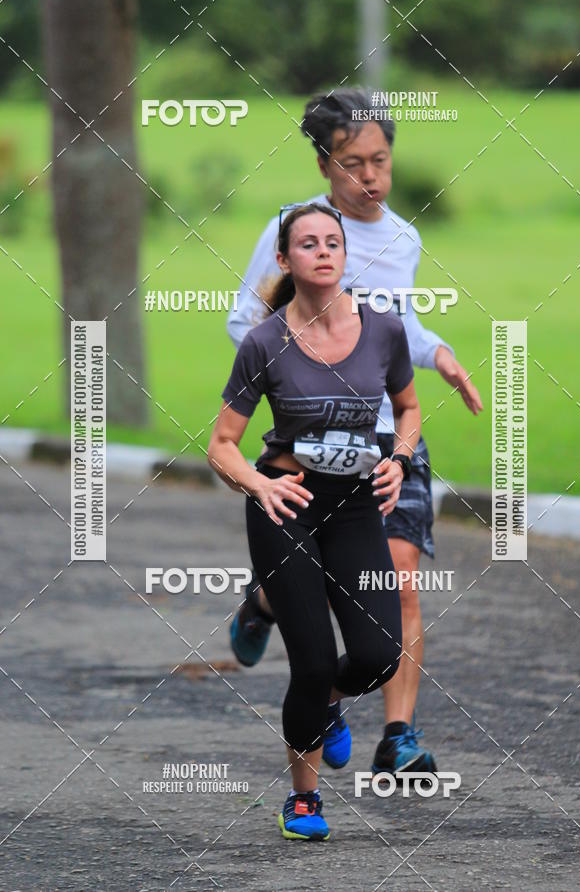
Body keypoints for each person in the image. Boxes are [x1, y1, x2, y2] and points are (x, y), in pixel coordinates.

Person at [227, 88, 483, 777]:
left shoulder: (403, 238)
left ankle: (392, 732)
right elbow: (245, 321)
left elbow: (403, 325)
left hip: (389, 443)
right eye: (352, 163)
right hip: (311, 447)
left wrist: (442, 355)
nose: (369, 177)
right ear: (322, 163)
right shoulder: (296, 230)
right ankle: (264, 606)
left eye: (380, 161)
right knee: (310, 589)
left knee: (398, 581)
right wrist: (309, 372)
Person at [208, 204, 420, 840]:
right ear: (285, 260)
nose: (324, 252)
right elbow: (221, 444)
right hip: (288, 506)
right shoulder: (264, 342)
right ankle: (303, 801)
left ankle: (328, 706)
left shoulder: (382, 330)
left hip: (356, 506)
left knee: (380, 655)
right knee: (313, 663)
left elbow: (408, 409)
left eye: (334, 242)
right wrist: (258, 484)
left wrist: (400, 461)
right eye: (308, 244)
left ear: (346, 255)